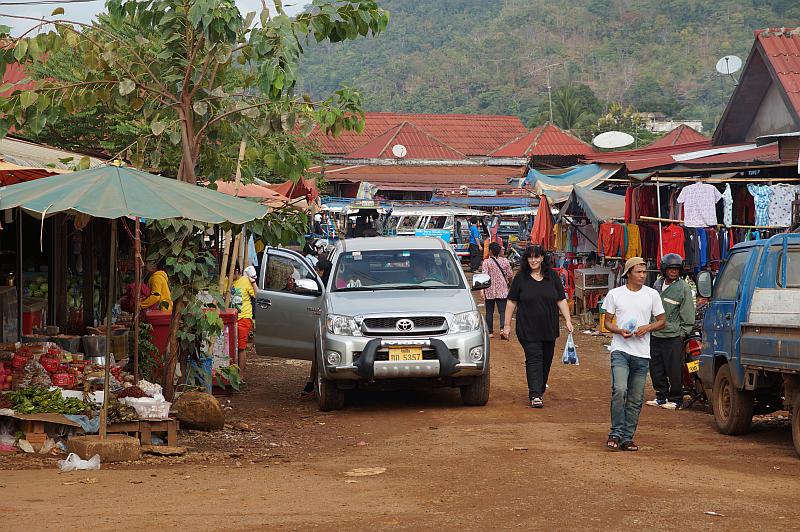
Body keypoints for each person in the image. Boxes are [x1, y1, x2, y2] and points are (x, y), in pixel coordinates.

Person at [601, 257, 666, 452]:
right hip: (620, 350)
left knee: (636, 398)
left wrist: (647, 327)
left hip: (642, 353)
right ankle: (615, 433)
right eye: (638, 272)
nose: (642, 275)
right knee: (620, 390)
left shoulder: (652, 295)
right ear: (628, 273)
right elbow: (607, 322)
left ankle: (627, 437)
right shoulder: (615, 294)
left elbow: (662, 321)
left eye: (644, 272)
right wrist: (619, 331)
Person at [502, 244, 573, 408]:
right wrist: (506, 325)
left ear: (542, 258)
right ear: (526, 259)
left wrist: (568, 320)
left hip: (549, 327)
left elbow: (561, 299)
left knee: (546, 360)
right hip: (527, 328)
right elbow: (511, 301)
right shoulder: (521, 278)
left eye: (537, 256)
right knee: (534, 357)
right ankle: (535, 394)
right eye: (530, 257)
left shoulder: (552, 277)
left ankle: (539, 389)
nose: (533, 260)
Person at [647, 253, 695, 410]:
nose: (673, 272)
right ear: (664, 269)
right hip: (655, 333)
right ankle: (661, 396)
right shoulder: (657, 284)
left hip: (673, 336)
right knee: (656, 368)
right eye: (670, 269)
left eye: (676, 269)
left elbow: (687, 313)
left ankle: (676, 399)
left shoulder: (683, 288)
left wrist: (682, 333)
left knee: (674, 369)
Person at [229, 264, 256, 379]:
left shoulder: (245, 281)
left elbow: (257, 294)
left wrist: (253, 282)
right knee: (230, 346)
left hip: (243, 318)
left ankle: (240, 376)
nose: (228, 275)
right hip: (230, 318)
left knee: (241, 347)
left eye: (229, 272)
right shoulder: (226, 281)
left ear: (236, 270)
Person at [482, 242, 512, 338]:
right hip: (502, 289)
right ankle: (502, 329)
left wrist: (482, 290)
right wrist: (510, 284)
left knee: (489, 311)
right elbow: (510, 275)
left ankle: (490, 332)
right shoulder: (505, 261)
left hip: (489, 290)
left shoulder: (486, 262)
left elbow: (484, 277)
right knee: (502, 311)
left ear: (490, 251)